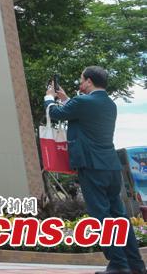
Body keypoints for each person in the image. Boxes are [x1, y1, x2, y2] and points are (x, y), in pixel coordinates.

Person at [47, 67, 146, 274]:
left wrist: (49, 98)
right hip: (111, 166)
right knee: (119, 216)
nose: (80, 84)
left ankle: (118, 264)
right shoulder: (109, 104)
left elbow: (55, 114)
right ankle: (136, 265)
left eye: (81, 80)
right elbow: (82, 114)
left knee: (101, 216)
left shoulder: (83, 102)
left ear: (89, 81)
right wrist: (66, 99)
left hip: (91, 166)